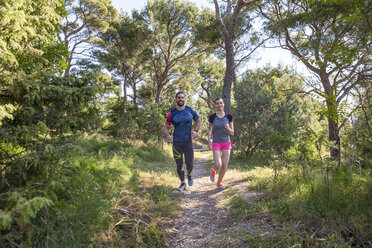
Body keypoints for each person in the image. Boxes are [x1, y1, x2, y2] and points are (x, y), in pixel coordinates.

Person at [163, 91, 201, 191]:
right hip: (177, 143)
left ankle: (189, 174)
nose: (181, 99)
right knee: (179, 164)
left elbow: (198, 121)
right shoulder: (171, 114)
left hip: (188, 142)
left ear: (184, 99)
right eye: (179, 97)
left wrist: (195, 131)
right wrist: (167, 136)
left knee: (190, 164)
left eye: (182, 97)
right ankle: (182, 183)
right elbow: (166, 127)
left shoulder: (191, 111)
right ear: (176, 99)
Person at [208, 98, 234, 189]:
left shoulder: (229, 117)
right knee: (218, 165)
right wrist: (209, 140)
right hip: (216, 143)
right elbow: (210, 129)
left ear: (224, 104)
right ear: (215, 105)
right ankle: (213, 169)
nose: (219, 105)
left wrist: (228, 128)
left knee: (224, 165)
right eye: (217, 103)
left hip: (226, 143)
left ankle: (219, 182)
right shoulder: (212, 117)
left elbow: (232, 133)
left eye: (221, 103)